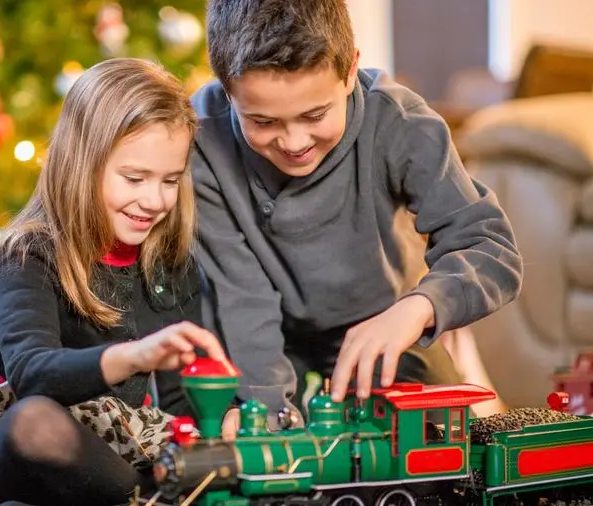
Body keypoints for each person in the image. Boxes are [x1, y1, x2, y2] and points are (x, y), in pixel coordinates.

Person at [190, 0, 523, 420]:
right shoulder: (202, 136)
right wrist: (268, 414)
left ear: (350, 72)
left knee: (444, 444)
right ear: (225, 88)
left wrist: (419, 307)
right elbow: (240, 295)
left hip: (387, 329)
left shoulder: (401, 121)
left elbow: (491, 248)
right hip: (258, 342)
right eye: (263, 122)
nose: (294, 142)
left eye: (315, 114)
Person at [0, 57, 229, 506]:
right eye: (134, 178)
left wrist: (220, 420)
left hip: (125, 457)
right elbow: (32, 374)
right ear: (81, 162)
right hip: (40, 458)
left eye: (170, 180)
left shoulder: (169, 262)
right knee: (31, 421)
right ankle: (148, 498)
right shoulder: (29, 254)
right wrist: (132, 356)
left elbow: (177, 404)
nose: (154, 200)